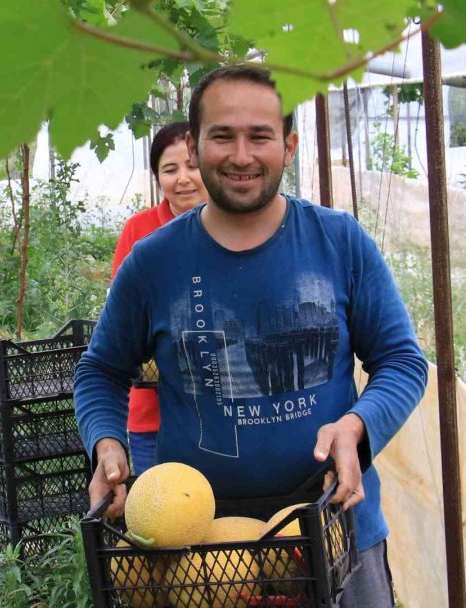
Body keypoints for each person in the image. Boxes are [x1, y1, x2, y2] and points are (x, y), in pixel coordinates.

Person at [75, 65, 428, 607]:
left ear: (287, 145)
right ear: (194, 146)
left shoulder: (339, 241)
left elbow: (402, 361)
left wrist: (357, 426)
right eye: (223, 136)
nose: (242, 155)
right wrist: (106, 443)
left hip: (334, 524)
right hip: (200, 551)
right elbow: (101, 369)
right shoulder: (153, 263)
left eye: (259, 136)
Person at [110, 121, 208, 475]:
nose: (183, 178)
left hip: (220, 414)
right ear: (157, 177)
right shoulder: (139, 230)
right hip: (153, 416)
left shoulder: (236, 226)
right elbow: (124, 316)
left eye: (192, 166)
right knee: (164, 519)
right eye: (170, 169)